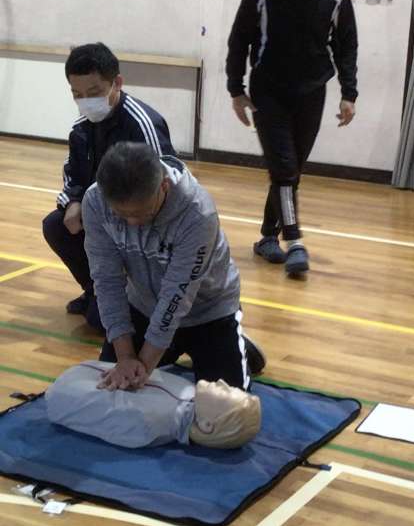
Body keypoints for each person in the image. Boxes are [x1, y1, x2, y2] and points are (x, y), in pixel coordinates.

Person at [226, 0, 358, 275]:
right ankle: (295, 242)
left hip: (312, 92)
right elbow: (239, 40)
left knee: (291, 169)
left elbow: (346, 44)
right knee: (284, 167)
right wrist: (236, 89)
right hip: (268, 93)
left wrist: (349, 93)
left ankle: (267, 237)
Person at [81, 141, 266, 390]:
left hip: (208, 312)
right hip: (143, 305)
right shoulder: (95, 201)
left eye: (143, 213)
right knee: (112, 390)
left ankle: (233, 344)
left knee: (227, 406)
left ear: (164, 186)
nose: (133, 223)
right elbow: (106, 279)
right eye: (122, 215)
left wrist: (143, 368)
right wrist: (125, 358)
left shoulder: (197, 213)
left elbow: (177, 296)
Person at [42, 42, 176, 328]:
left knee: (103, 323)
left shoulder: (142, 123)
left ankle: (135, 296)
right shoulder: (81, 128)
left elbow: (165, 181)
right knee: (55, 225)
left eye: (94, 93)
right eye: (77, 95)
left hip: (138, 222)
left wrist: (126, 213)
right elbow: (73, 175)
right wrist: (73, 202)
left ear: (117, 83)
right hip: (103, 219)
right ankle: (94, 290)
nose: (85, 101)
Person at [45, 360, 261, 449]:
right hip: (81, 375)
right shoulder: (187, 391)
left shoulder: (146, 424)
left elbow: (98, 408)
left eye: (225, 393)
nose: (222, 383)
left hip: (65, 389)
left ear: (206, 425)